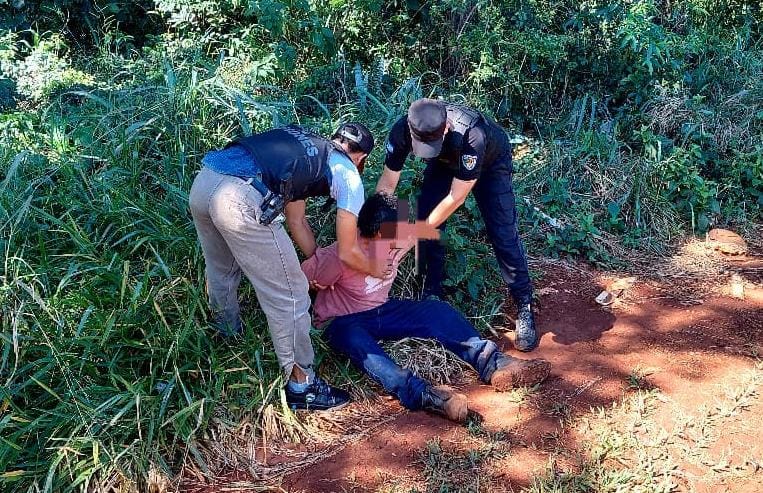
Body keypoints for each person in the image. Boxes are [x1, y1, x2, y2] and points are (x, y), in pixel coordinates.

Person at [301, 192, 551, 423]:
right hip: (342, 321)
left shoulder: (398, 238)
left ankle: (494, 363)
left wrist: (461, 187)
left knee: (437, 312)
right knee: (354, 338)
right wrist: (313, 291)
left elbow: (431, 222)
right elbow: (298, 282)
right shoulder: (339, 255)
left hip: (382, 310)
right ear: (379, 234)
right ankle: (425, 395)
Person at [189, 122, 387, 411]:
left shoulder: (307, 147)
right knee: (292, 294)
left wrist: (317, 261)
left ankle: (226, 340)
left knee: (222, 270)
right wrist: (374, 269)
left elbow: (297, 220)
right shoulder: (349, 175)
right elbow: (347, 251)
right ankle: (302, 387)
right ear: (361, 158)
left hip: (205, 182)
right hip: (239, 198)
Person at [375, 99, 540, 351]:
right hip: (445, 162)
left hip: (490, 163)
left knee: (502, 233)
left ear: (447, 127)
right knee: (426, 218)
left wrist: (411, 237)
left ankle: (524, 302)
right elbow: (387, 187)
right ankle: (432, 292)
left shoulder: (472, 136)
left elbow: (456, 197)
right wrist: (381, 236)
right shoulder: (402, 130)